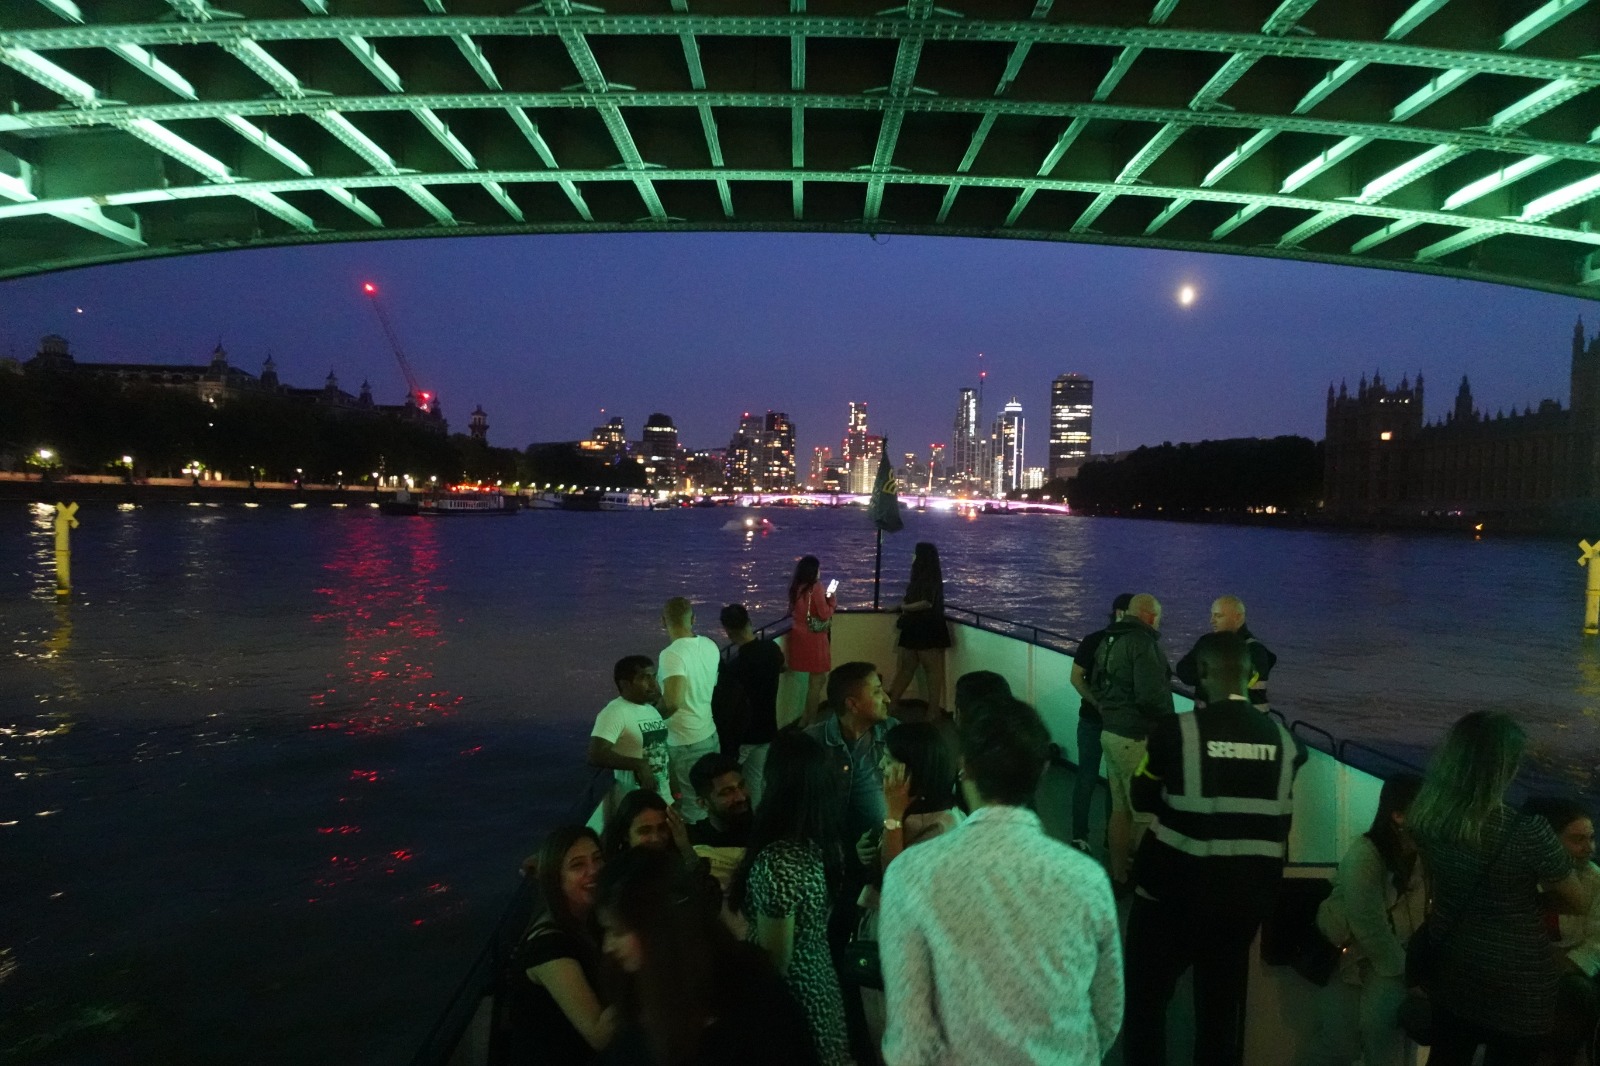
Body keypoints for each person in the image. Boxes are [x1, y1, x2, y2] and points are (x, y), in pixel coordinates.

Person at [879, 693, 1123, 1065]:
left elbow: (910, 1037)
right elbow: (1106, 1013)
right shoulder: (1088, 879)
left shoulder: (912, 874)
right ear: (1043, 772)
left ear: (965, 768)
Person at [1122, 631, 1306, 1066]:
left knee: (1146, 1007)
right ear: (1250, 675)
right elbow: (1281, 821)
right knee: (1220, 1015)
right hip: (1242, 904)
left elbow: (1142, 798)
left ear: (1202, 674)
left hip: (1170, 900)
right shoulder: (1286, 744)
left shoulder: (1176, 733)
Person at [1405, 711, 1592, 1065]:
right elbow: (1578, 901)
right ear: (1501, 768)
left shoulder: (1426, 820)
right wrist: (1531, 898)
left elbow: (1447, 883)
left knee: (1447, 1057)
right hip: (1519, 984)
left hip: (1456, 969)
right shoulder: (1526, 831)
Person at [595, 846, 819, 1066]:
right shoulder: (633, 992)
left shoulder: (752, 995)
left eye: (618, 931)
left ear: (660, 928)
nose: (608, 946)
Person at [729, 731, 852, 1066]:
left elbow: (775, 961)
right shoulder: (822, 840)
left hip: (794, 998)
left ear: (775, 782)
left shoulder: (778, 861)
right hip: (821, 982)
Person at [1296, 774, 1427, 1066]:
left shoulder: (1419, 858)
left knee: (1379, 1045)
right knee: (1341, 1046)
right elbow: (1369, 926)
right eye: (1427, 808)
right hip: (1347, 957)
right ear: (1398, 815)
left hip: (1382, 960)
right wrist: (1411, 972)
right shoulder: (1365, 856)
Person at [504, 825, 615, 1064]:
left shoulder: (589, 921)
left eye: (597, 859)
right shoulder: (548, 946)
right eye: (578, 866)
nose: (594, 871)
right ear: (556, 879)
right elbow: (599, 1034)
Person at [1091, 591, 1174, 888]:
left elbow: (1098, 682)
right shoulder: (1142, 643)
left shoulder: (1109, 640)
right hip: (1134, 737)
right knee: (1144, 813)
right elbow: (1151, 696)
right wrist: (1169, 726)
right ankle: (1144, 880)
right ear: (1150, 616)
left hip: (1110, 732)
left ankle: (1118, 874)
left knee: (1119, 808)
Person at [1524, 796, 1600, 1065]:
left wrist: (1564, 965)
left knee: (1576, 991)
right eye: (1577, 840)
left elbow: (1596, 945)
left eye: (1591, 838)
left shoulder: (1595, 881)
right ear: (1549, 841)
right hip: (1525, 970)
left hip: (1570, 976)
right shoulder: (1523, 875)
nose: (1588, 848)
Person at [1068, 593, 1133, 854]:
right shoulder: (1132, 645)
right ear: (1121, 613)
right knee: (1112, 781)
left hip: (1092, 720)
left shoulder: (1093, 640)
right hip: (1115, 724)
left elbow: (1076, 678)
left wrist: (1096, 704)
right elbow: (1076, 678)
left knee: (1089, 776)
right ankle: (1109, 836)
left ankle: (1082, 836)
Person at [806, 661, 898, 847]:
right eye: (877, 691)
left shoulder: (895, 735)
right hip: (825, 851)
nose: (887, 699)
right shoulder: (811, 744)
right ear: (852, 704)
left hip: (880, 848)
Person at [658, 597, 722, 823]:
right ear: (693, 619)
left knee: (694, 805)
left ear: (663, 622)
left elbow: (673, 702)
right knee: (712, 797)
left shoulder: (671, 655)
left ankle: (699, 851)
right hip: (709, 733)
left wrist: (650, 720)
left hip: (686, 742)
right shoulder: (710, 646)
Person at [717, 603, 785, 805]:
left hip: (744, 736)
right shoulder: (772, 650)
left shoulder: (735, 667)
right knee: (756, 781)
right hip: (768, 729)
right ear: (750, 622)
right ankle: (756, 822)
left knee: (726, 781)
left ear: (728, 632)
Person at [1173, 595, 1278, 712]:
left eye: (1218, 616)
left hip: (1245, 724)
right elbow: (1183, 671)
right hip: (1209, 720)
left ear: (1238, 618)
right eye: (1212, 615)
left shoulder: (1255, 650)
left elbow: (1235, 685)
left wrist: (1204, 672)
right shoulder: (1206, 642)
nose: (1212, 620)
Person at [588, 655, 669, 803]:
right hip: (636, 803)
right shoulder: (614, 712)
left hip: (663, 798)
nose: (653, 684)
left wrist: (675, 795)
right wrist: (640, 764)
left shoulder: (651, 709)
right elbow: (596, 754)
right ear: (625, 684)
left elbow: (664, 752)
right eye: (645, 678)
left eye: (653, 676)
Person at [885, 543, 952, 719]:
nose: (912, 557)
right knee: (932, 670)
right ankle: (933, 711)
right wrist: (904, 607)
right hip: (929, 626)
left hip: (914, 626)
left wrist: (902, 607)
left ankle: (892, 705)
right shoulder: (932, 578)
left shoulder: (918, 579)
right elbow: (929, 603)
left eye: (915, 554)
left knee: (906, 668)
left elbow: (925, 602)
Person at [786, 556, 836, 727]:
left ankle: (804, 719)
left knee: (817, 680)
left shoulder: (796, 588)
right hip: (814, 639)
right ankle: (811, 721)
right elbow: (824, 613)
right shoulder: (816, 587)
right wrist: (832, 599)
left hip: (799, 636)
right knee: (816, 682)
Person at [687, 753, 753, 849]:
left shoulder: (767, 832)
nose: (741, 797)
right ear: (703, 803)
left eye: (741, 786)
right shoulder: (695, 844)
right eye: (727, 792)